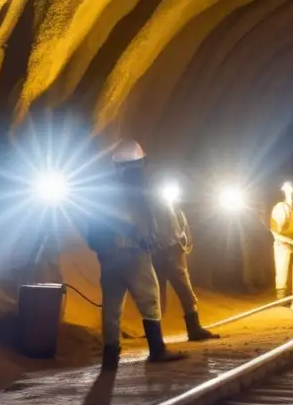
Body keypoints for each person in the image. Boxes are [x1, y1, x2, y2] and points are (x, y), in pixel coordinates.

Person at [85, 140, 186, 370]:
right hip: (132, 253)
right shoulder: (135, 190)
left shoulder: (105, 191)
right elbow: (138, 220)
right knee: (150, 298)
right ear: (139, 163)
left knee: (111, 306)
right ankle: (157, 349)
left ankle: (110, 356)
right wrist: (146, 237)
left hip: (108, 257)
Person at [151, 182, 219, 342]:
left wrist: (186, 245)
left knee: (186, 293)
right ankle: (156, 337)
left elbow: (185, 231)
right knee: (158, 297)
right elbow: (158, 234)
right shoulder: (156, 213)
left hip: (176, 254)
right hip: (162, 256)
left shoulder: (177, 212)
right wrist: (165, 250)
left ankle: (194, 329)